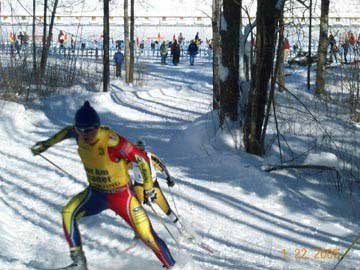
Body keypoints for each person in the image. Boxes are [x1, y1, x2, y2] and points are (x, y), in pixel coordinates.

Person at [30, 101, 176, 270]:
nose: (86, 134)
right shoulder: (77, 133)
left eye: (90, 129)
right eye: (81, 130)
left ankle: (172, 266)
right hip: (97, 194)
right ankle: (79, 263)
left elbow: (141, 158)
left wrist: (149, 187)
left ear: (97, 127)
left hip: (122, 196)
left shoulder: (112, 141)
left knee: (147, 236)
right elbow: (66, 132)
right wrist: (45, 145)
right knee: (68, 213)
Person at [130, 140, 182, 232]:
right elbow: (122, 167)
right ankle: (139, 232)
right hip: (139, 185)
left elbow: (162, 167)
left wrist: (168, 178)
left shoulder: (150, 157)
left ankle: (180, 229)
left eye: (141, 148)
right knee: (136, 208)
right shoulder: (131, 158)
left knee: (165, 207)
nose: (139, 150)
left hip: (153, 184)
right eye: (137, 148)